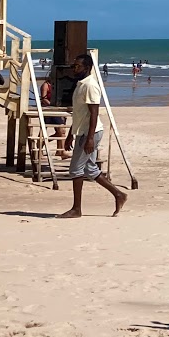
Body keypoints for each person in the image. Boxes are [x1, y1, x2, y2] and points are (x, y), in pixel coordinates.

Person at [58, 53, 127, 218]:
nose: (75, 69)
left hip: (91, 133)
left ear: (87, 68)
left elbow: (94, 114)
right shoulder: (80, 84)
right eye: (74, 66)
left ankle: (76, 209)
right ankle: (119, 195)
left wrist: (89, 138)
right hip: (82, 131)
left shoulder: (90, 85)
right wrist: (70, 135)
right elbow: (79, 114)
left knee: (75, 169)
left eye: (78, 66)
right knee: (90, 169)